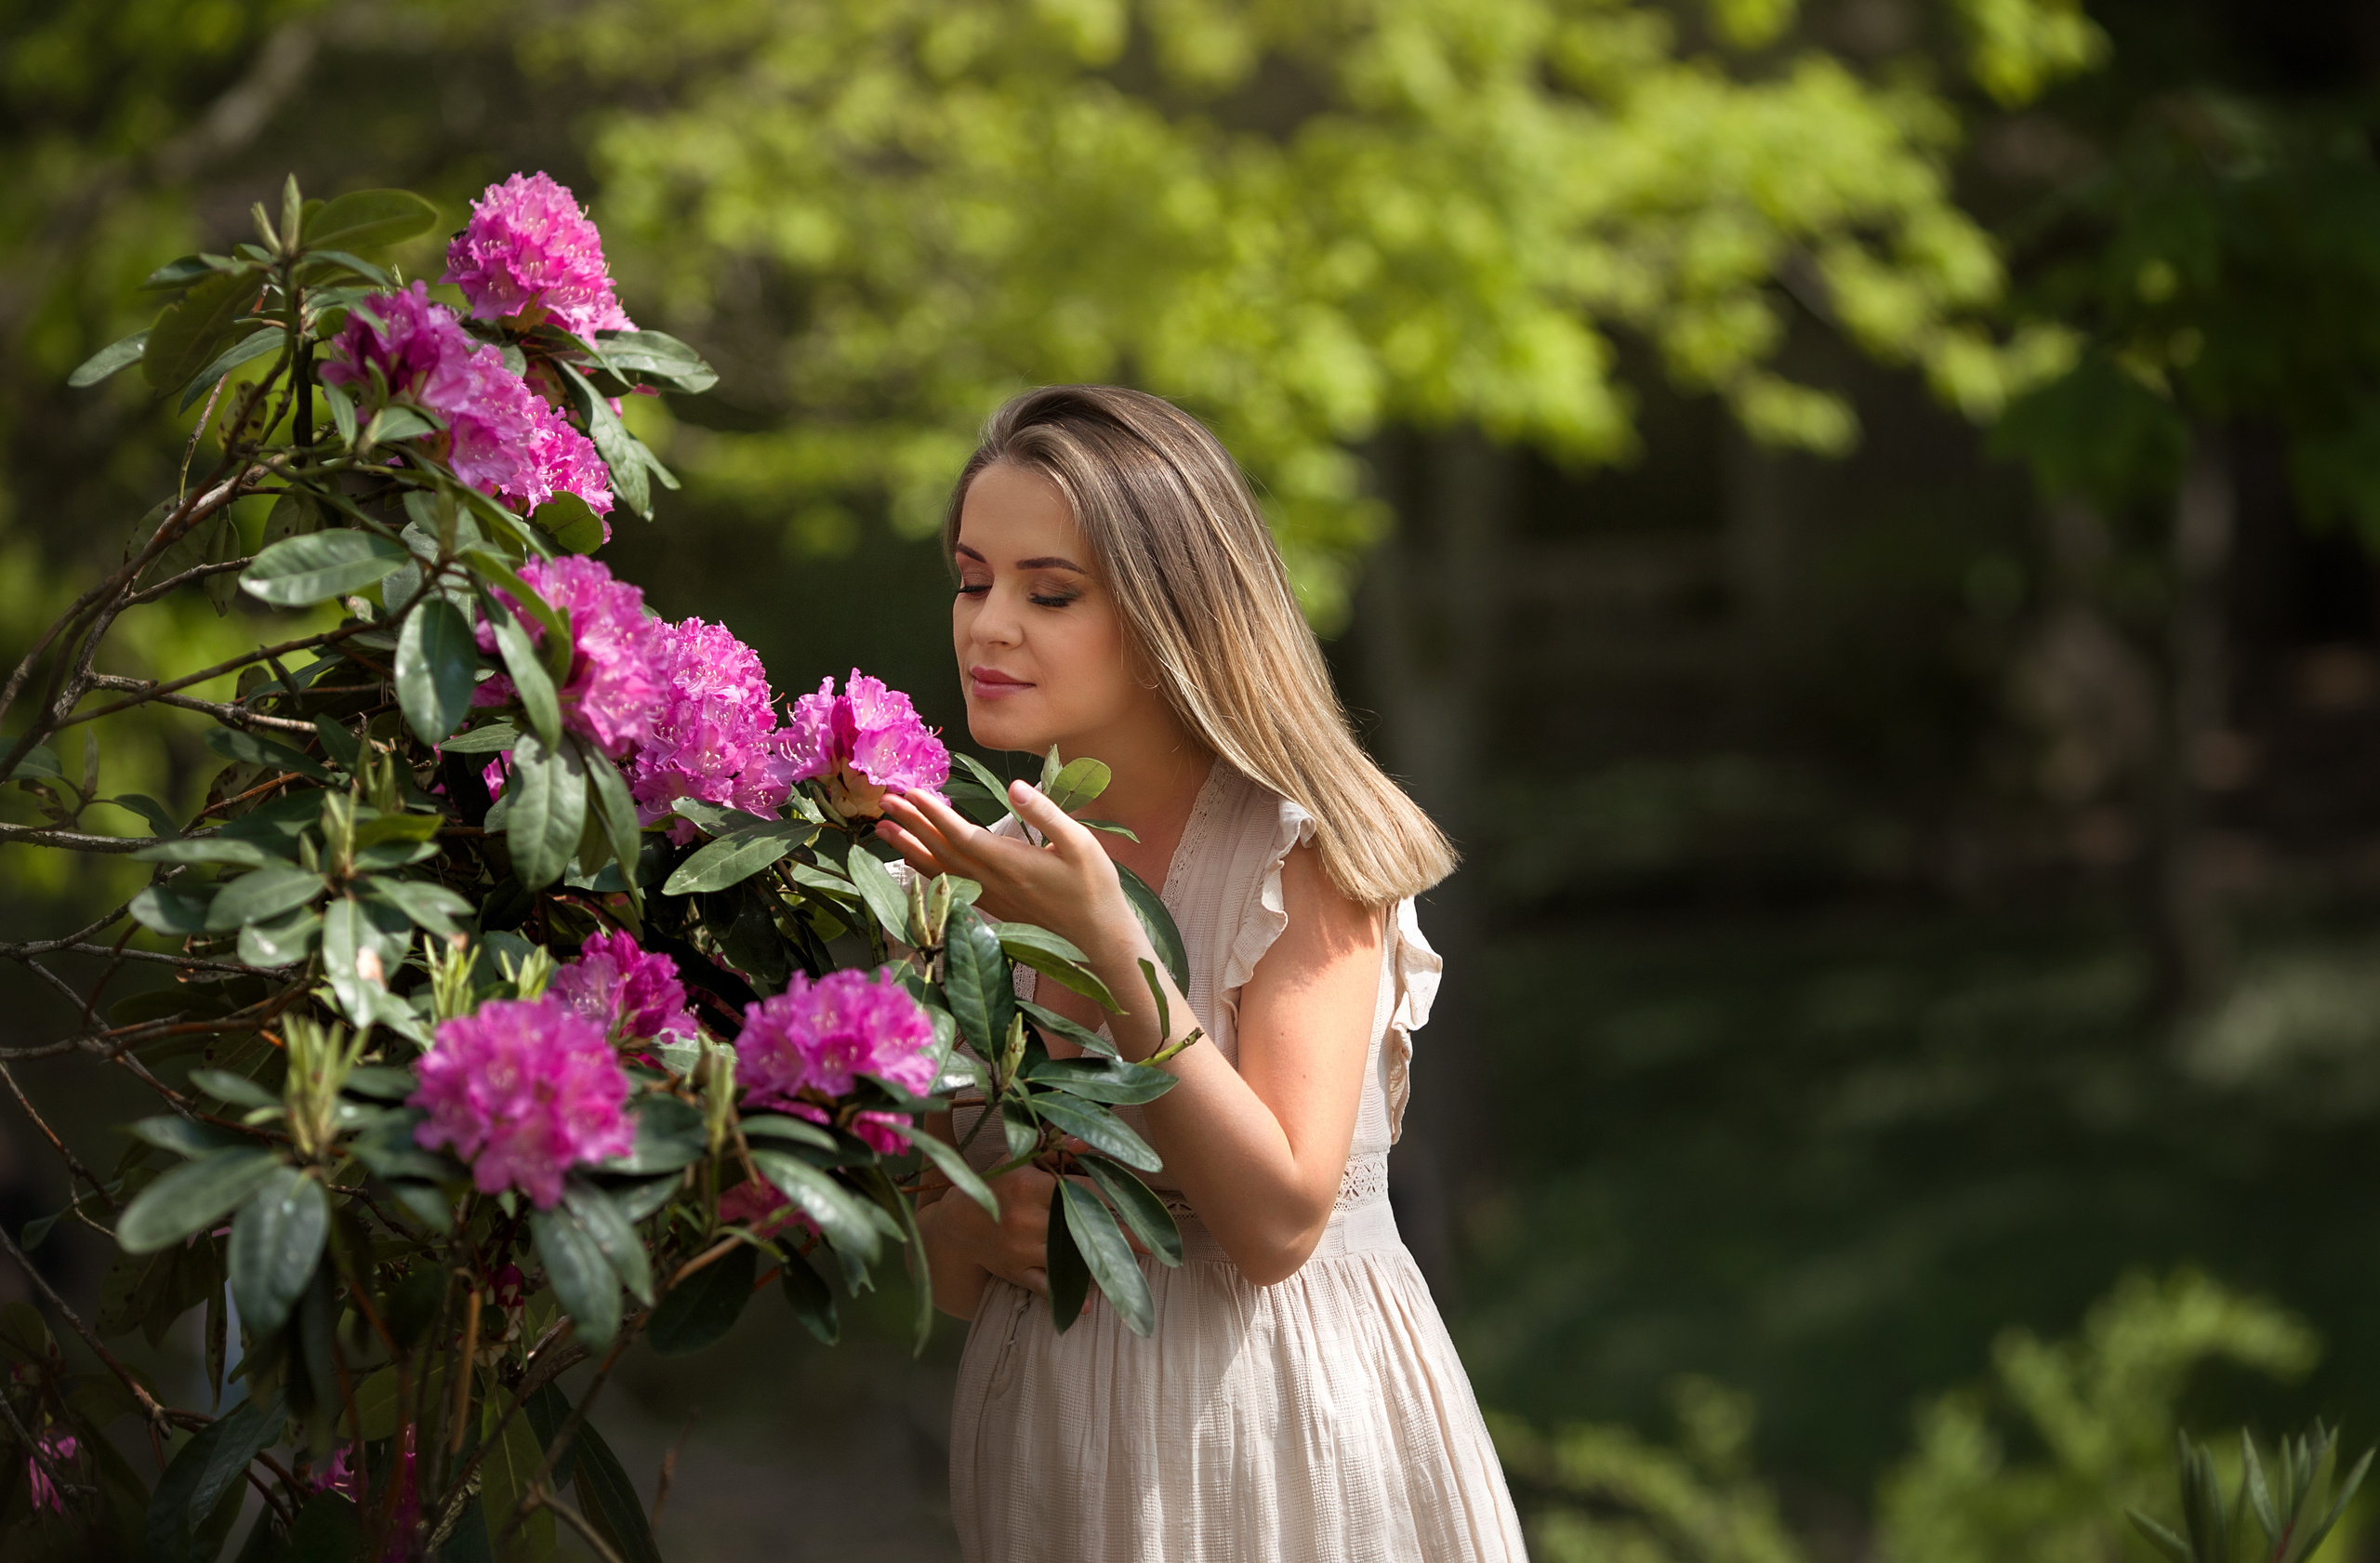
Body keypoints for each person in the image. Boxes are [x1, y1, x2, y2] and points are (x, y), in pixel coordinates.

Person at [876, 385, 1528, 1562]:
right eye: (972, 581)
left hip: (1277, 1438)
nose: (988, 625)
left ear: (1170, 609)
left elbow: (1278, 1221)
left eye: (1049, 592)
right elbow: (936, 1247)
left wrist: (1111, 948)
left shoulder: (1304, 853)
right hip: (1049, 1455)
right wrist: (971, 1226)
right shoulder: (958, 876)